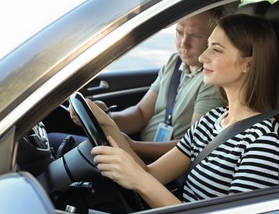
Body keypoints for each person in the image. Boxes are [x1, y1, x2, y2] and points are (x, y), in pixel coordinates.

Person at [87, 14, 279, 208]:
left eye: (216, 50)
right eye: (208, 46)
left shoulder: (264, 142)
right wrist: (106, 123)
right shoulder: (212, 121)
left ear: (248, 64)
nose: (203, 57)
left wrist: (139, 180)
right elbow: (151, 173)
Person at [51, 9, 225, 160]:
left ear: (214, 40)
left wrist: (133, 147)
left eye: (195, 35)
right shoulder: (174, 62)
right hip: (138, 149)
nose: (183, 44)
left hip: (161, 161)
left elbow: (193, 145)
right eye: (179, 32)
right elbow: (140, 114)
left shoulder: (211, 81)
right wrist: (106, 119)